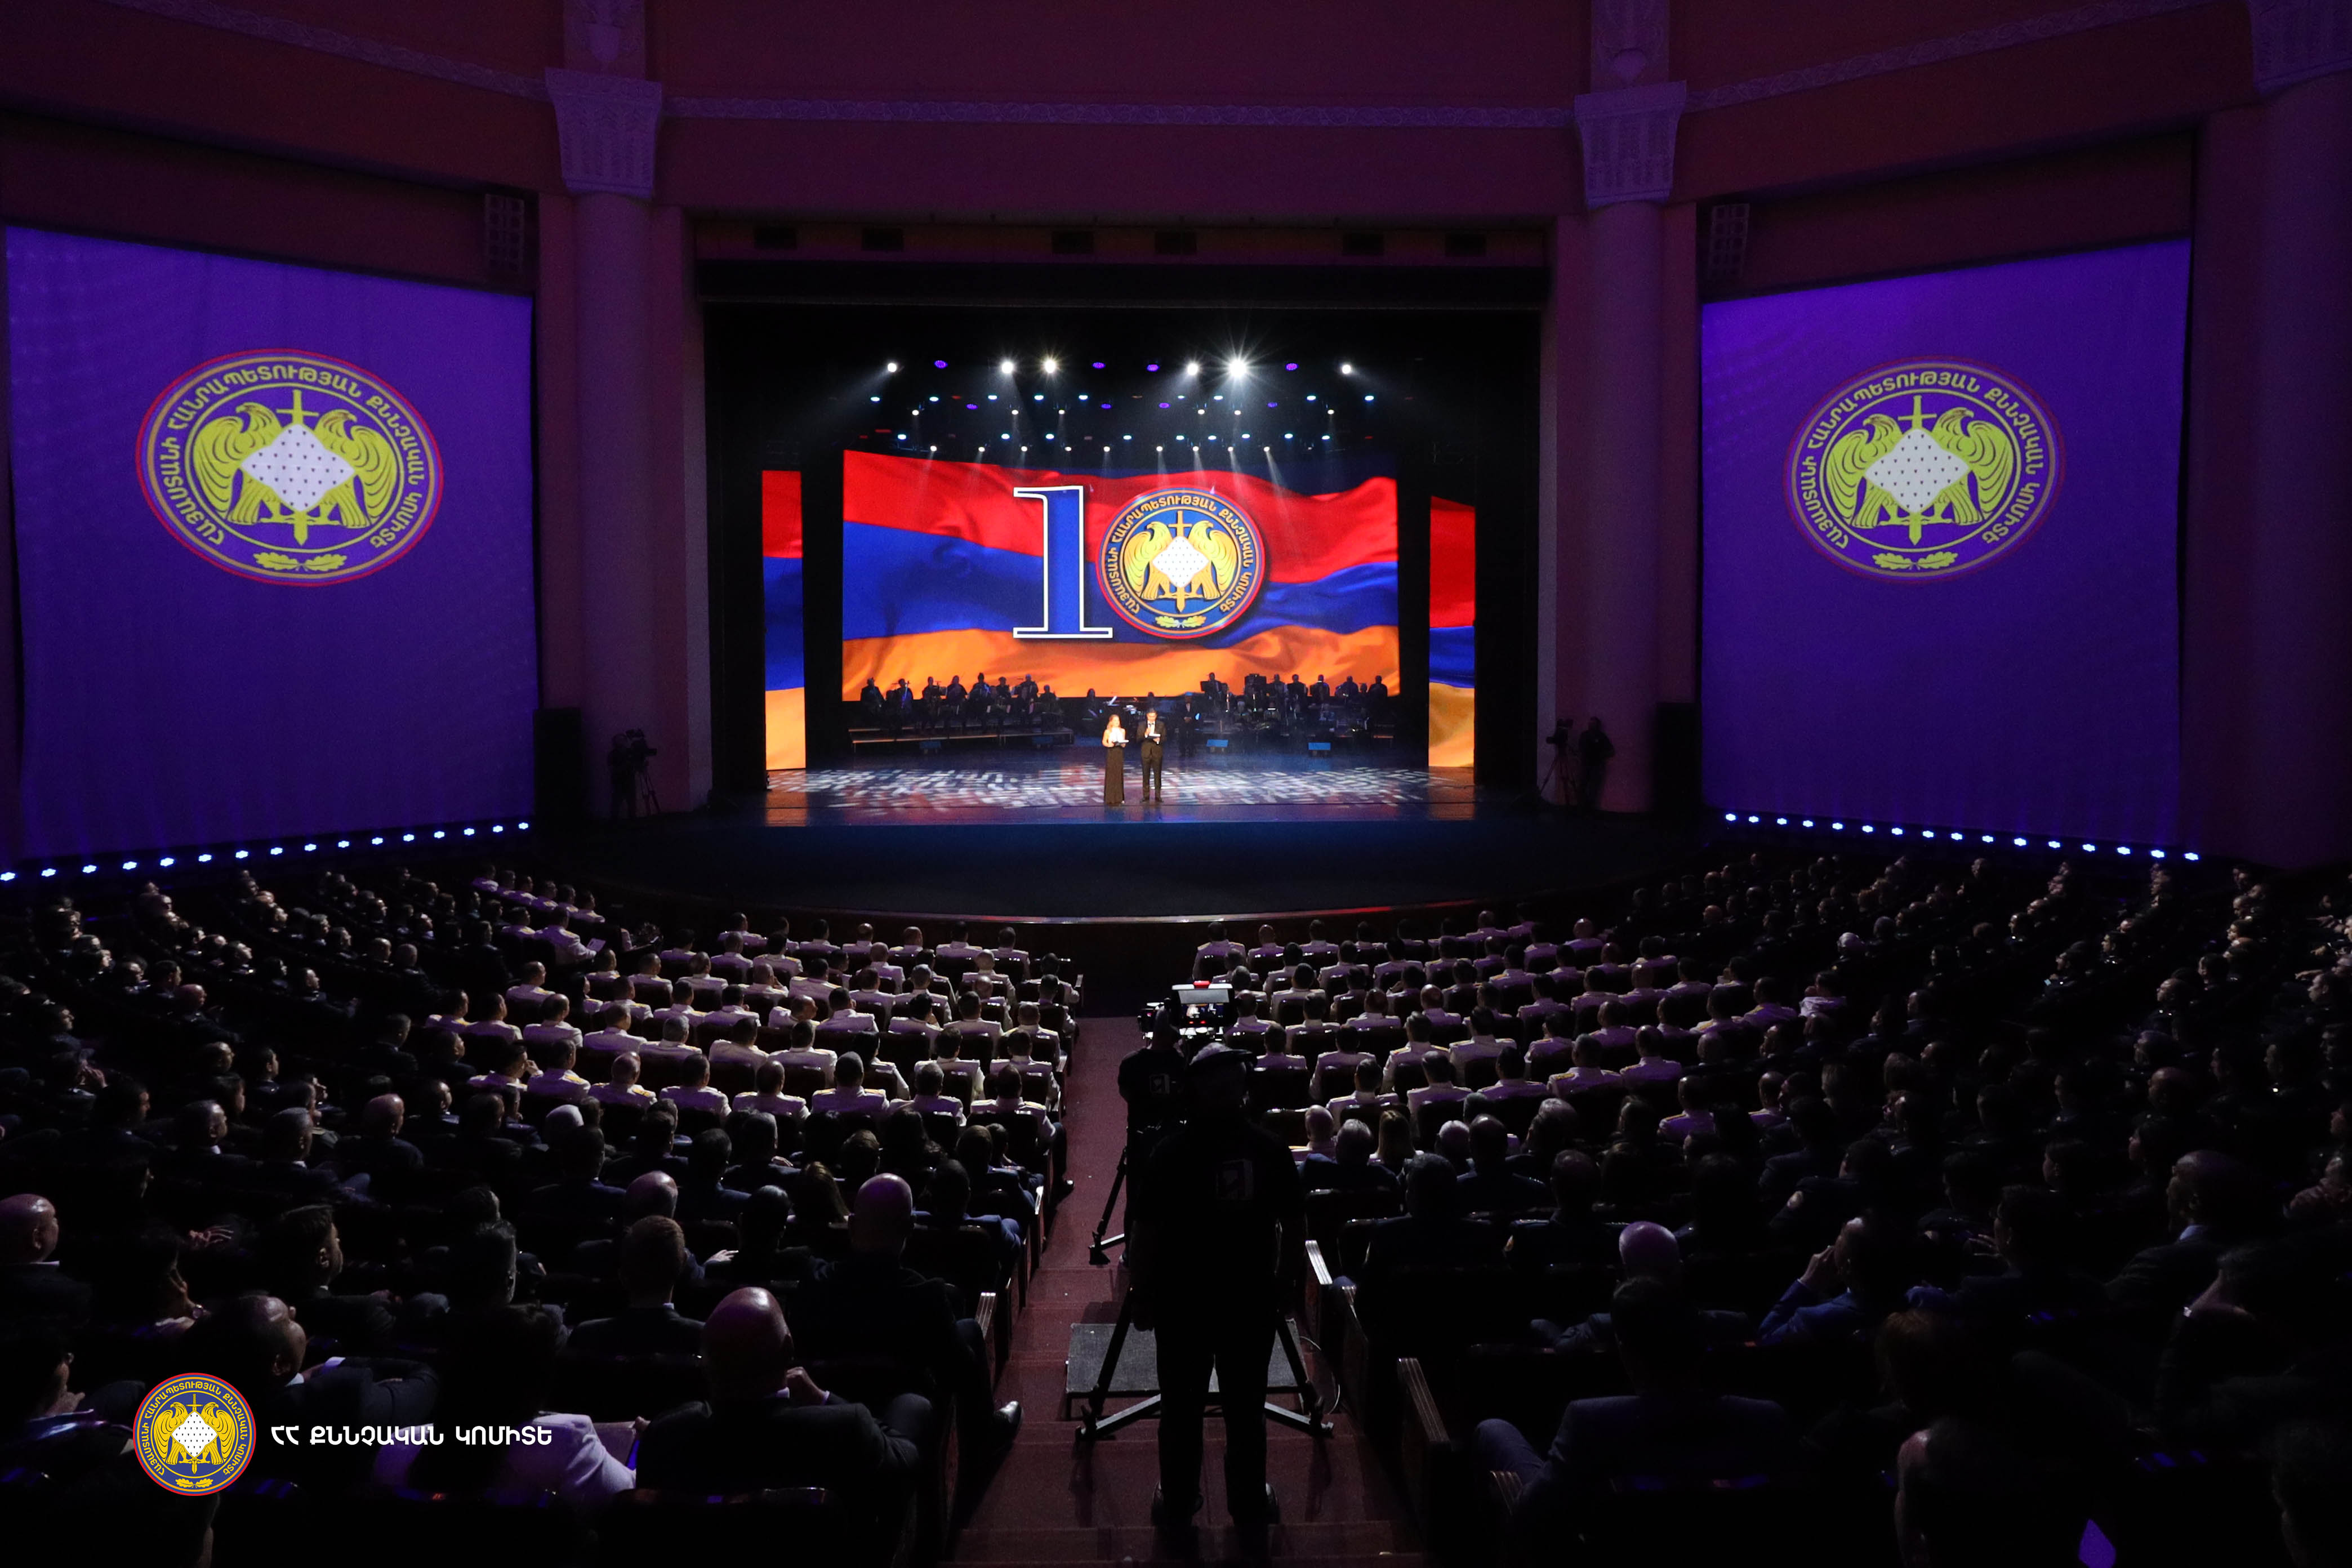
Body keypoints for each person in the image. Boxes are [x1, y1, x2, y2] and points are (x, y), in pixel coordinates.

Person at [1128, 1043, 1306, 1535]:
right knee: (1246, 1408)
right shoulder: (1269, 1148)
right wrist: (1285, 1284)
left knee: (1181, 1408)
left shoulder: (1169, 1153)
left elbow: (1146, 1233)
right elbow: (1295, 1225)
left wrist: (1142, 1291)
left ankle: (1178, 1502)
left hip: (1183, 1302)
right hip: (1249, 1299)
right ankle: (1248, 1505)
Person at [635, 1286, 927, 1504]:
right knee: (913, 1404)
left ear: (706, 1367)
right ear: (788, 1349)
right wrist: (824, 1399)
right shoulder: (845, 1429)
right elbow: (905, 1462)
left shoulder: (664, 1438)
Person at [1575, 715, 1614, 810]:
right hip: (1586, 765)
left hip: (1596, 766)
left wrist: (1600, 756)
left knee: (1593, 789)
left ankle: (1589, 810)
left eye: (1593, 723)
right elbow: (1580, 748)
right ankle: (1583, 809)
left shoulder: (1601, 736)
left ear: (1597, 725)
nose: (1590, 725)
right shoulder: (1584, 735)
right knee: (1582, 787)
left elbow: (1611, 751)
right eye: (1590, 723)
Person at [1138, 705, 1166, 803]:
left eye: (1153, 716)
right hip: (1146, 753)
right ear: (1147, 716)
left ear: (1156, 716)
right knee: (1146, 775)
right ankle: (1146, 796)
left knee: (1157, 775)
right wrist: (1146, 734)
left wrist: (1158, 740)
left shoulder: (1161, 724)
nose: (1152, 718)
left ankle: (1158, 796)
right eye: (1150, 716)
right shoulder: (1142, 725)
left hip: (1157, 753)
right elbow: (1138, 738)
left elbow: (1165, 738)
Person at [1102, 711, 1128, 805]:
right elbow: (1104, 742)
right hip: (1111, 752)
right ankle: (1110, 798)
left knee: (1118, 774)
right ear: (1111, 722)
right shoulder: (1108, 731)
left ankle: (1119, 798)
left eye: (1118, 721)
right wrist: (1108, 745)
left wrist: (1123, 744)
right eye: (1115, 721)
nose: (1117, 722)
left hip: (1119, 752)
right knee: (1111, 774)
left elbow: (1124, 744)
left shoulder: (1122, 731)